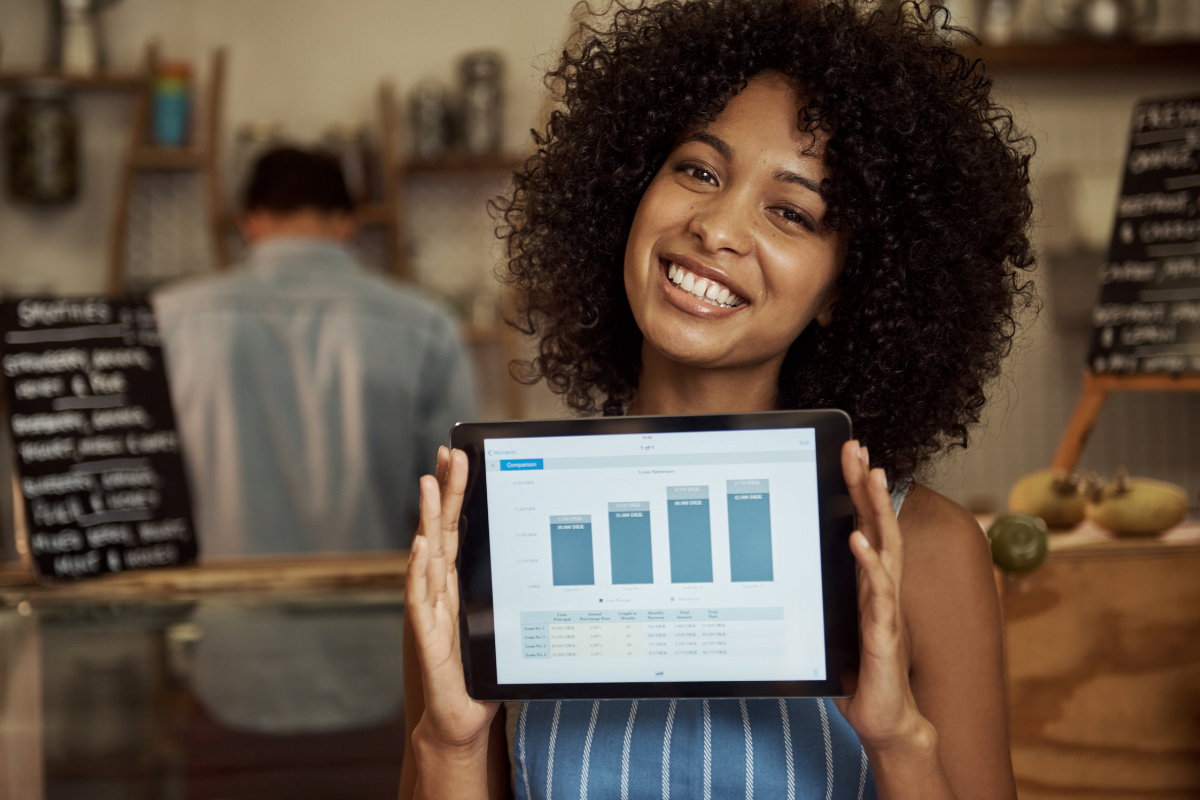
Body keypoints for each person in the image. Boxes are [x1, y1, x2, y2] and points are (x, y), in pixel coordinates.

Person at [400, 0, 1035, 798]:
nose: (719, 227)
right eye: (698, 170)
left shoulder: (928, 550)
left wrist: (896, 737)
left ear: (851, 285)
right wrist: (451, 745)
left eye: (792, 212)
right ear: (628, 192)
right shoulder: (485, 531)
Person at [154, 146, 475, 557]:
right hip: (379, 609)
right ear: (346, 224)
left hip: (219, 612)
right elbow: (457, 497)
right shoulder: (427, 326)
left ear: (249, 223)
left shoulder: (167, 320)